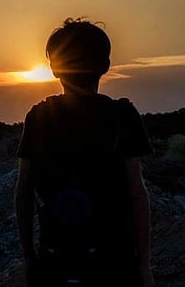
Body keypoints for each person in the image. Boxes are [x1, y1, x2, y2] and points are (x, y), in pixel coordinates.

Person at [14, 18, 155, 287]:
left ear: (55, 68)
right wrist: (144, 266)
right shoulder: (123, 116)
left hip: (56, 260)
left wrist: (30, 258)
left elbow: (23, 194)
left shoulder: (39, 117)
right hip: (115, 262)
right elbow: (137, 193)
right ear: (106, 66)